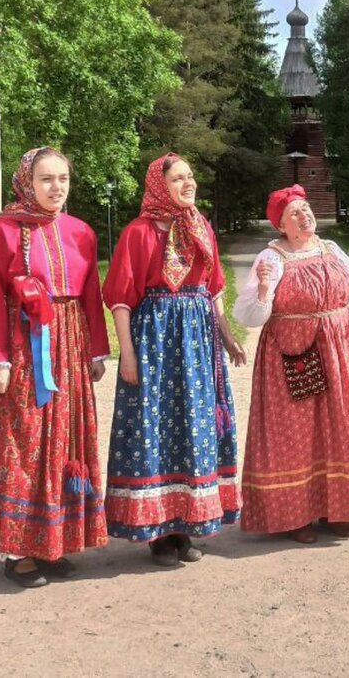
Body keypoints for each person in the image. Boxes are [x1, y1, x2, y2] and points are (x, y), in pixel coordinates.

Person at [0, 147, 111, 587]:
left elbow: (91, 295)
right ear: (26, 183)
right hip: (22, 348)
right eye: (47, 179)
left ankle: (53, 541)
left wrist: (96, 351)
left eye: (63, 179)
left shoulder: (81, 232)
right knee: (24, 438)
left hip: (69, 347)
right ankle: (18, 550)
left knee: (64, 440)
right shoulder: (1, 233)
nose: (57, 188)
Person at [102, 153, 245, 565]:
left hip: (198, 342)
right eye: (178, 178)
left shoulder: (201, 227)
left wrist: (229, 338)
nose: (189, 184)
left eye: (191, 176)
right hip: (156, 342)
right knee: (157, 426)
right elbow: (121, 300)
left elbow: (213, 290)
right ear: (158, 185)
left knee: (194, 427)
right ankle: (159, 534)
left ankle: (185, 525)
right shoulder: (138, 232)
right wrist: (127, 354)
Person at [234, 185, 349, 543]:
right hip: (291, 352)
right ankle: (294, 514)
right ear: (281, 225)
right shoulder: (271, 258)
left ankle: (337, 508)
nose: (305, 215)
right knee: (294, 432)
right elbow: (249, 315)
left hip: (338, 349)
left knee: (339, 424)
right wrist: (265, 291)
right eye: (295, 213)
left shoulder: (333, 250)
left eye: (306, 208)